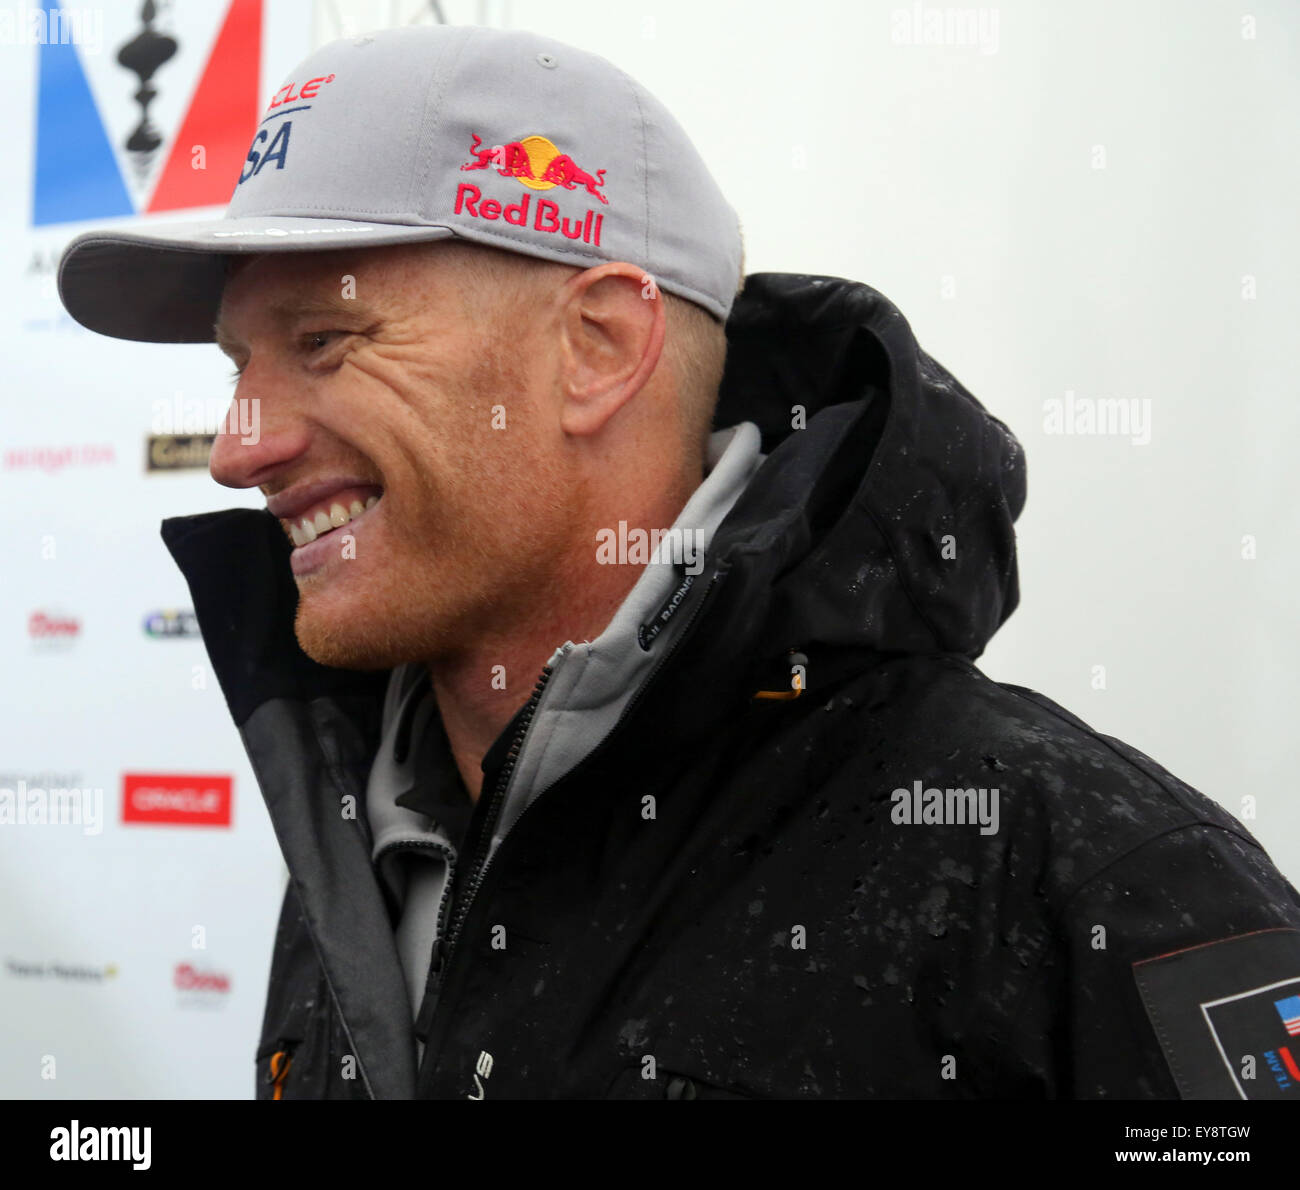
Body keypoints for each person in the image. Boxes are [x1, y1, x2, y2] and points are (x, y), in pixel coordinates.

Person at [58, 24, 1300, 1101]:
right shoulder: (363, 831)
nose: (239, 447)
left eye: (325, 340)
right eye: (237, 368)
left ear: (597, 347)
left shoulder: (1070, 868)